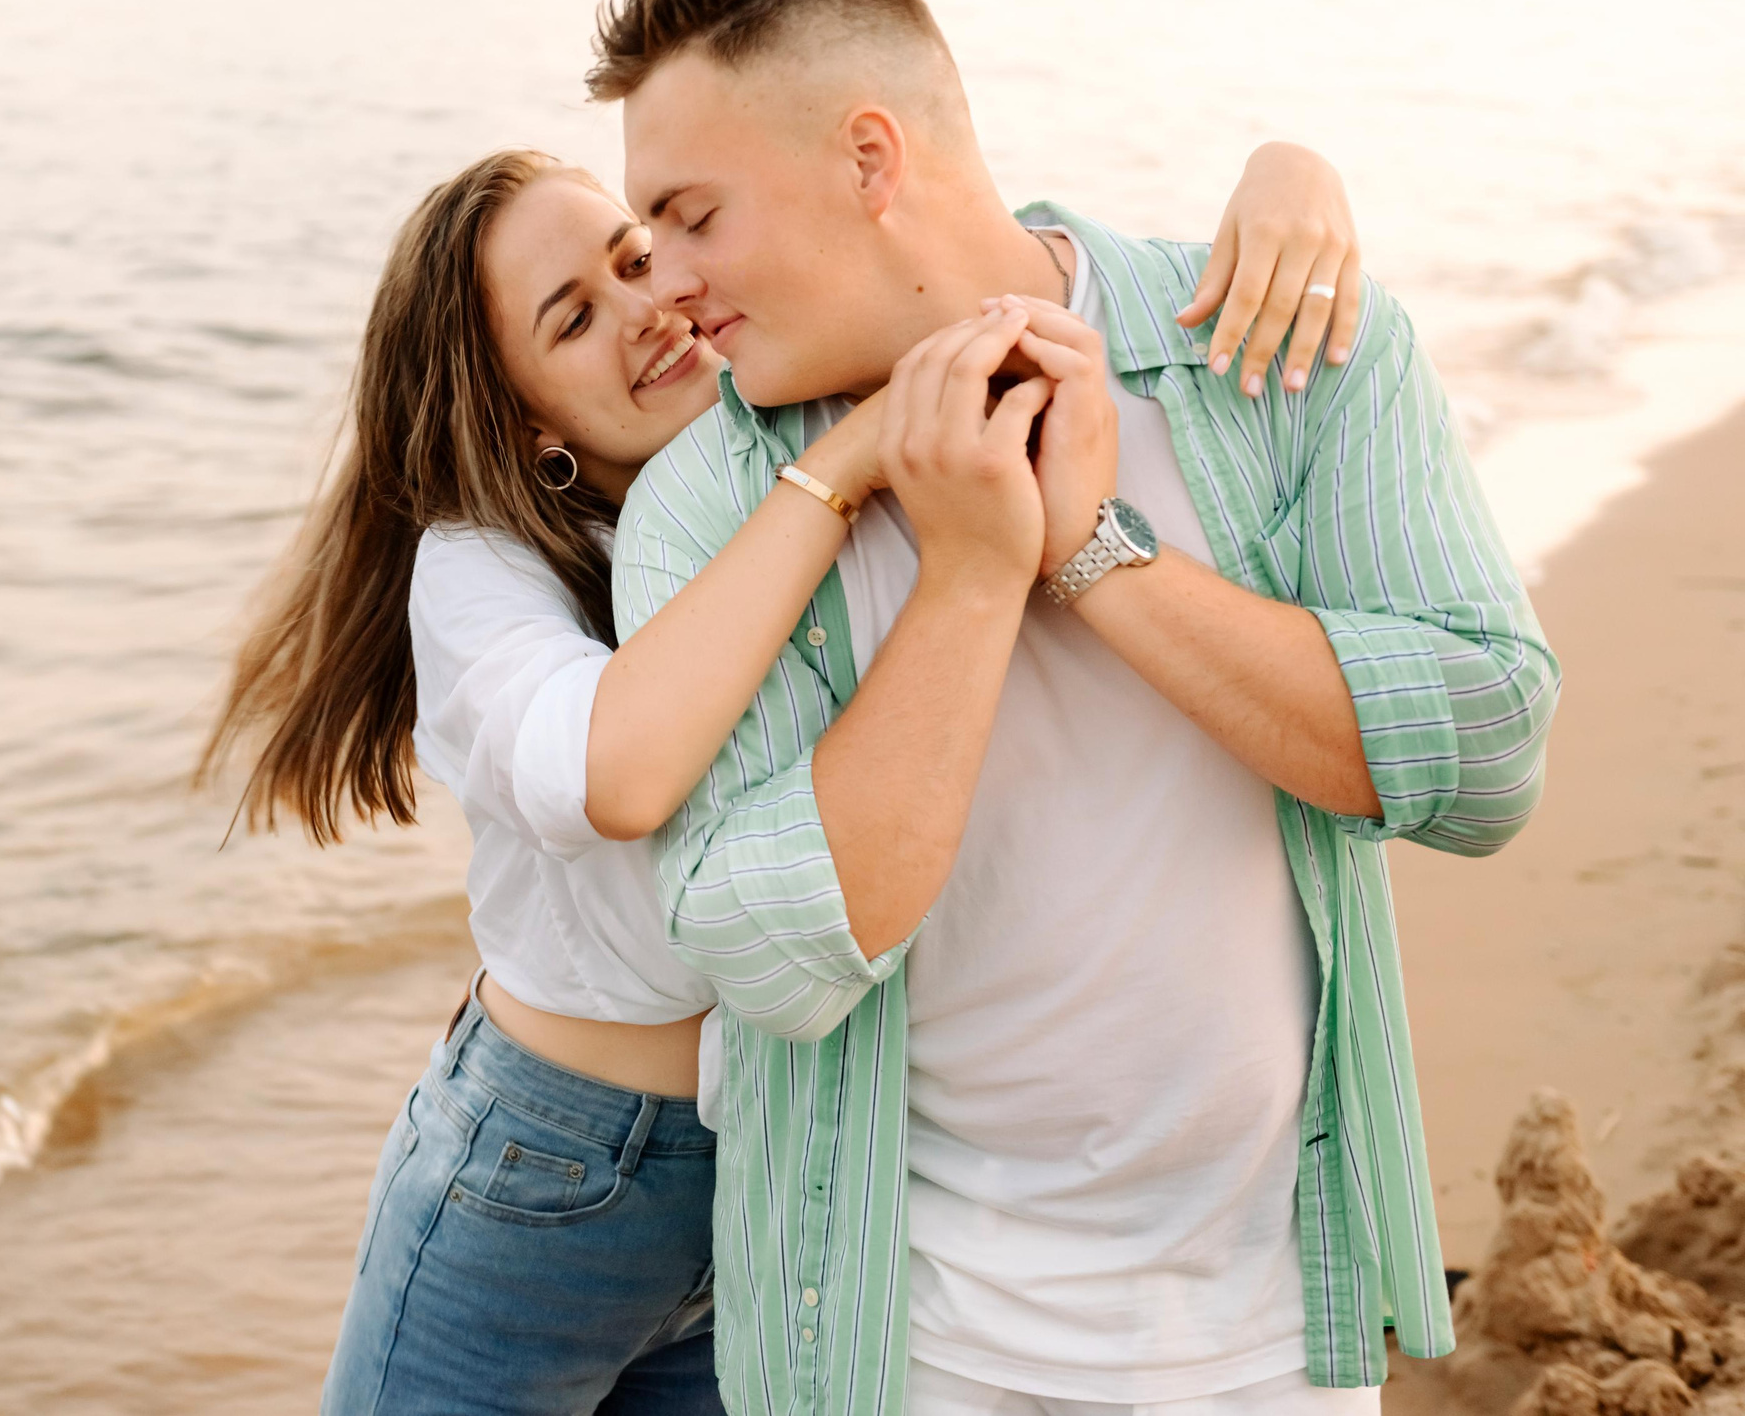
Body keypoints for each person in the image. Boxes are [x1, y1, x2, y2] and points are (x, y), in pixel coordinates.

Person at [204, 119, 1368, 1412]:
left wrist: (1286, 177)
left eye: (638, 256)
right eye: (574, 319)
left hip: (784, 1159)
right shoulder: (485, 566)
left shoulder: (782, 421)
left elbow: (965, 250)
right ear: (526, 420)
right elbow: (620, 771)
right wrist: (840, 468)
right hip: (544, 1178)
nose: (649, 307)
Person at [593, 0, 1560, 1416]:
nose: (668, 285)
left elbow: (1488, 756)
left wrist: (1096, 554)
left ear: (870, 158)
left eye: (694, 215)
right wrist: (975, 579)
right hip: (895, 1345)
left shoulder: (1278, 354)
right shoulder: (714, 508)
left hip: (1267, 1329)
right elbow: (766, 956)